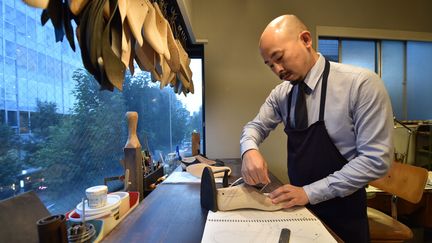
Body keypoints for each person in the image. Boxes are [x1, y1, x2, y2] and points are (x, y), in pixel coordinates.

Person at [240, 14, 394, 242]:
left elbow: (375, 160)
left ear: (305, 40)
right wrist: (249, 150)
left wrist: (309, 193)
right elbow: (255, 126)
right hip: (300, 210)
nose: (278, 69)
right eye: (270, 64)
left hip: (344, 216)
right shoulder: (281, 94)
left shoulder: (360, 84)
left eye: (279, 57)